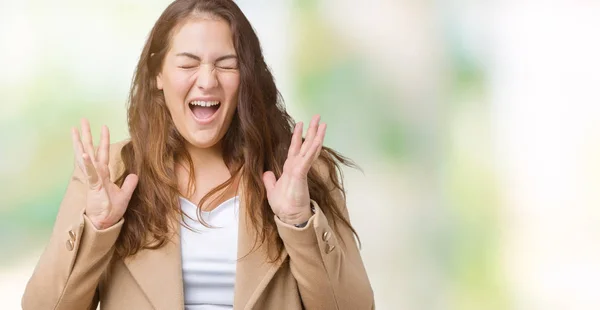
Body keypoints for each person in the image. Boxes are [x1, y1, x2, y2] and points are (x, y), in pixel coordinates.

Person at [22, 0, 374, 309]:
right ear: (158, 74)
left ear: (247, 76)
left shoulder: (300, 173)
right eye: (188, 64)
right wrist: (98, 228)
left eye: (226, 64)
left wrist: (298, 222)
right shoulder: (108, 173)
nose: (207, 80)